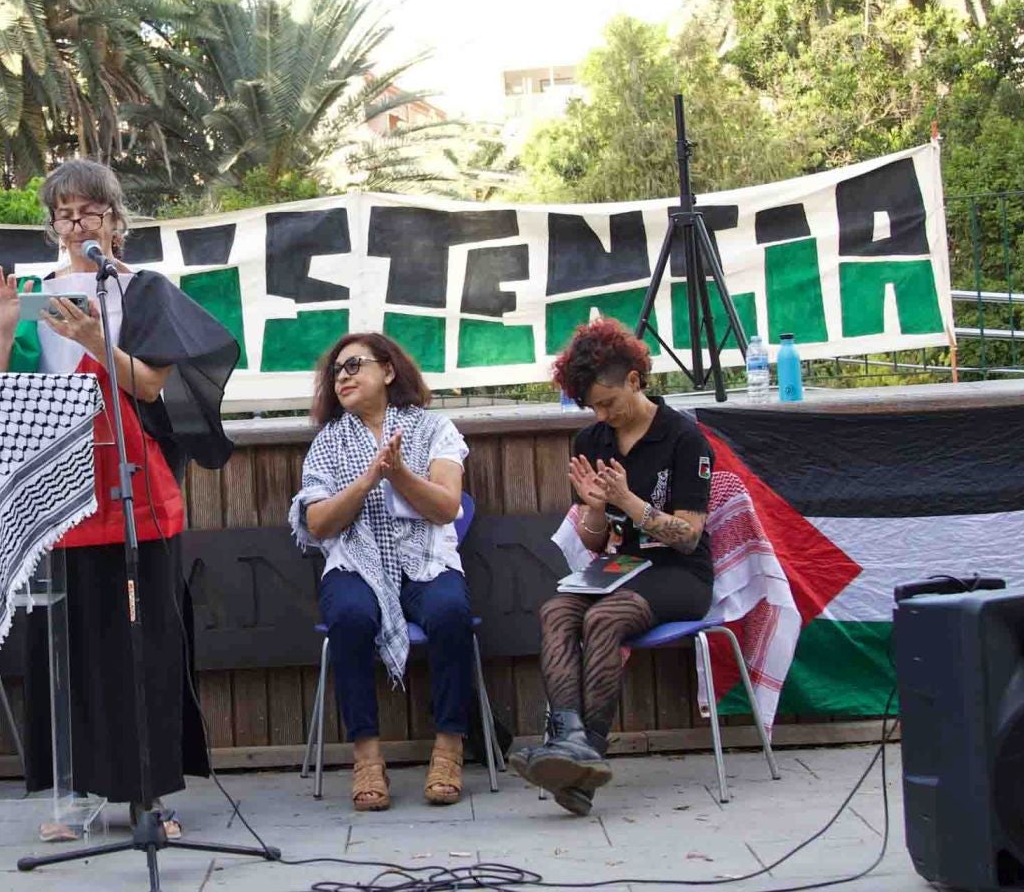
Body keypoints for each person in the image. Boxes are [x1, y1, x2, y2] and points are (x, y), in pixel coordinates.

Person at [0, 158, 238, 827]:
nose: (76, 222)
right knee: (65, 646)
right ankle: (76, 791)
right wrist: (5, 329)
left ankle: (147, 794)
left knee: (139, 646)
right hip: (57, 490)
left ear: (116, 221)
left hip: (133, 487)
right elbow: (0, 399)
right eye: (64, 212)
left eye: (89, 209)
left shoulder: (142, 290)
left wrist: (96, 336)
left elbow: (150, 386)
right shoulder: (35, 296)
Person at [508, 319, 715, 816]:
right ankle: (569, 741)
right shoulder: (590, 441)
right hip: (620, 565)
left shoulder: (685, 440)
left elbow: (688, 537)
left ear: (635, 381)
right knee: (557, 611)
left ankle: (584, 754)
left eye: (608, 402)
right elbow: (595, 541)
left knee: (604, 618)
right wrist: (596, 508)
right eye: (593, 407)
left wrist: (628, 500)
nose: (602, 415)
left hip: (681, 574)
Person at [290, 332, 476, 811]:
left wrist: (399, 474)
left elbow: (446, 506)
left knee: (451, 611)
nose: (343, 378)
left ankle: (449, 748)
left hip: (425, 557)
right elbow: (316, 522)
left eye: (354, 366)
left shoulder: (434, 429)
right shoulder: (328, 443)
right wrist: (370, 477)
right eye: (337, 372)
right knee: (349, 617)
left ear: (388, 371)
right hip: (356, 561)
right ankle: (367, 756)